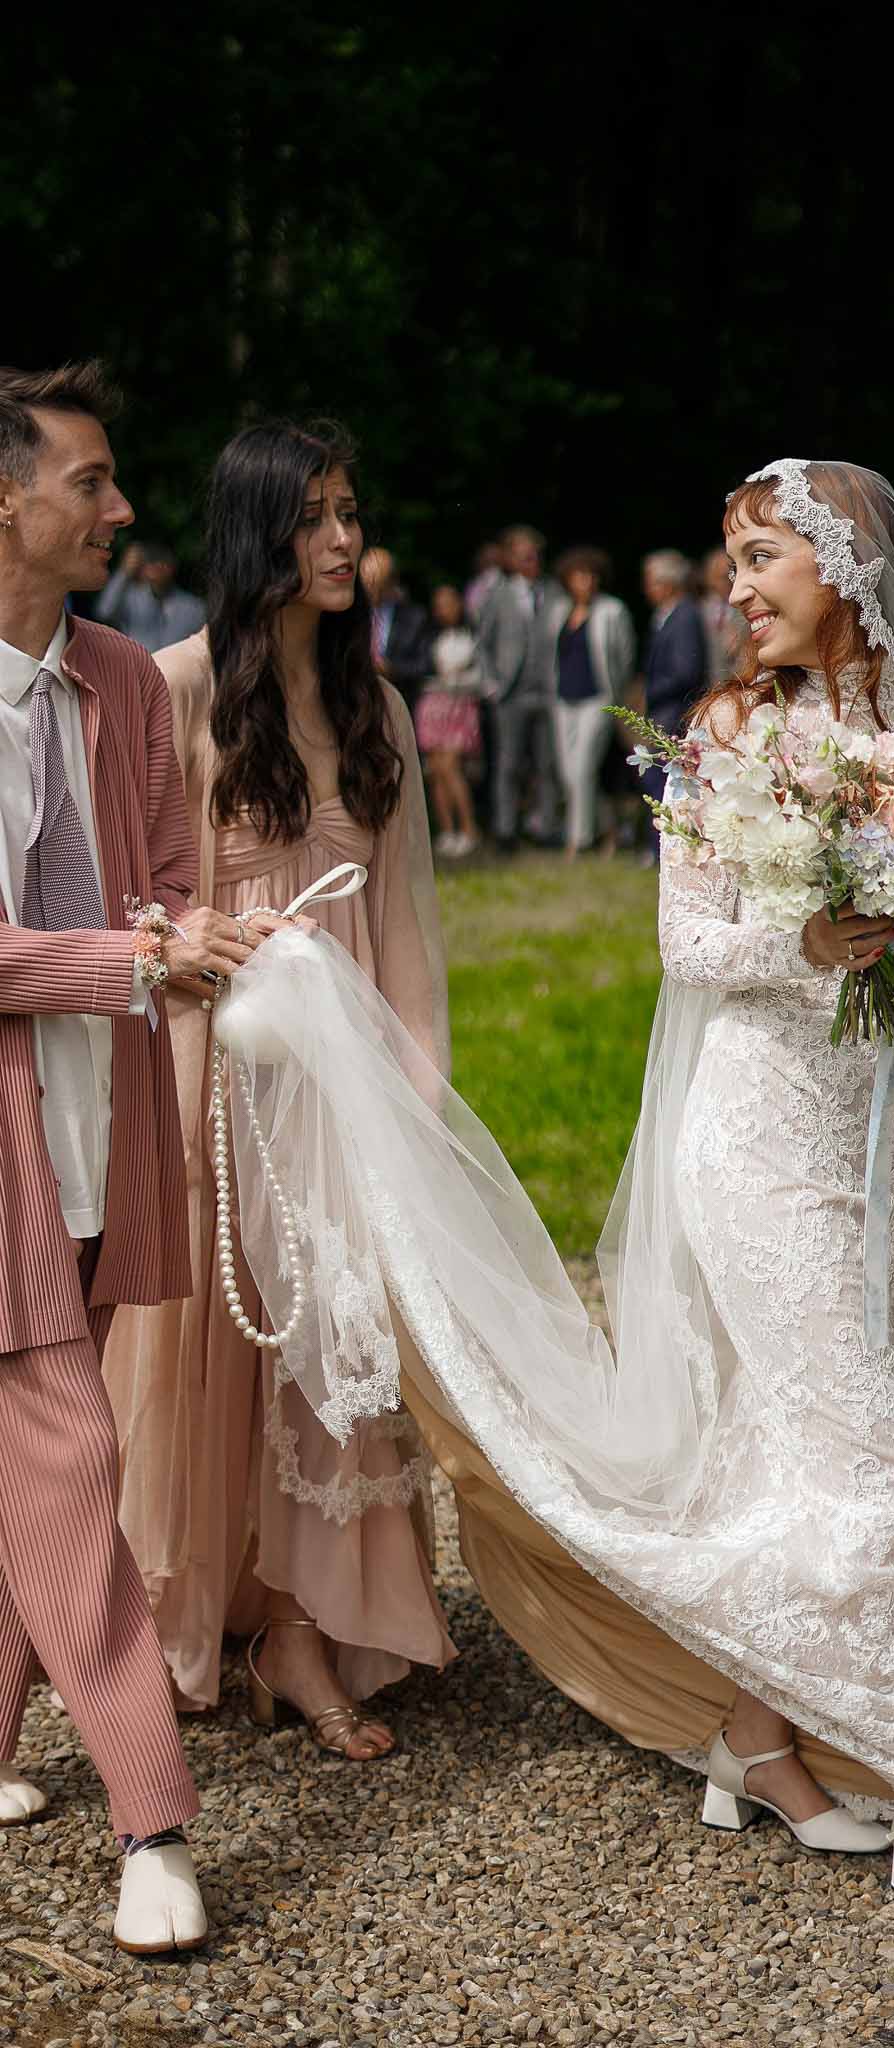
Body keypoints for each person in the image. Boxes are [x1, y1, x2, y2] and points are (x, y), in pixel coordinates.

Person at [211, 459, 894, 1934]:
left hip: (892, 1149)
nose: (736, 589)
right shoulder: (719, 734)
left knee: (780, 1447)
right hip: (754, 1139)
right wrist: (813, 934)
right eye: (729, 565)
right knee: (869, 1465)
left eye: (761, 558)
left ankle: (758, 1745)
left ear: (845, 565)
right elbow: (692, 949)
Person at [104, 420, 456, 1758]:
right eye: (313, 517)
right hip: (213, 1072)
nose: (343, 541)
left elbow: (409, 931)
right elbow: (128, 898)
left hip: (347, 1079)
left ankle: (305, 1623)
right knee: (213, 1347)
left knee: (336, 1352)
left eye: (351, 514)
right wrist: (187, 943)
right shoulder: (173, 686)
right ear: (258, 533)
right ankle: (205, 1604)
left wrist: (415, 1105)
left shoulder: (373, 707)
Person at [0, 359, 284, 1951]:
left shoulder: (114, 674)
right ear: (4, 499)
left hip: (98, 1129)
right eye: (91, 480)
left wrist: (194, 929)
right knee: (70, 1466)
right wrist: (136, 958)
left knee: (23, 1465)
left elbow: (167, 872)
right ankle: (155, 1821)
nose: (119, 507)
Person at [543, 547, 635, 857]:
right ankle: (608, 829)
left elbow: (624, 658)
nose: (586, 581)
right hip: (564, 699)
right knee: (570, 773)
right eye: (579, 576)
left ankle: (578, 840)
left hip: (598, 698)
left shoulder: (612, 611)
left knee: (582, 768)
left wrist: (617, 697)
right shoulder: (559, 611)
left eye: (591, 575)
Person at [477, 524, 560, 853]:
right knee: (508, 763)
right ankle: (505, 829)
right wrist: (491, 684)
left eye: (534, 555)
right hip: (510, 692)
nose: (530, 560)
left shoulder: (553, 591)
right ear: (512, 559)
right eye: (524, 555)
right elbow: (482, 643)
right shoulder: (498, 595)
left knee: (547, 764)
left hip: (547, 691)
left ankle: (547, 827)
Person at [639, 550, 708, 850]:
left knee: (667, 783)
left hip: (674, 711)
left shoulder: (685, 616)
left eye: (651, 581)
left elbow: (685, 671)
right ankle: (659, 844)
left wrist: (648, 692)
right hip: (665, 709)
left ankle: (665, 845)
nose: (647, 588)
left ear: (666, 584)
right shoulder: (667, 616)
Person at [415, 583, 486, 858]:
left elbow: (483, 675)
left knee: (451, 767)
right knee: (435, 771)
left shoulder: (473, 636)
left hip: (460, 706)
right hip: (434, 705)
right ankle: (447, 831)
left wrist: (457, 678)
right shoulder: (428, 638)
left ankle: (469, 829)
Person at [93, 540, 206, 653]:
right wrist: (124, 572)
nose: (158, 568)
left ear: (173, 566)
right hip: (137, 668)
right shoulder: (130, 599)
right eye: (152, 562)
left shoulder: (194, 607)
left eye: (164, 562)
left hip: (178, 669)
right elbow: (104, 612)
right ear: (142, 567)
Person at [362, 547, 433, 718]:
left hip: (399, 706)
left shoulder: (415, 618)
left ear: (392, 581)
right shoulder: (343, 616)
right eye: (368, 583)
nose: (373, 590)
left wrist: (393, 670)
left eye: (379, 583)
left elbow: (425, 665)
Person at [699, 544, 748, 681]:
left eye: (731, 575)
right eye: (720, 577)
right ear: (709, 578)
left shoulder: (746, 609)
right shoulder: (699, 611)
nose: (727, 581)